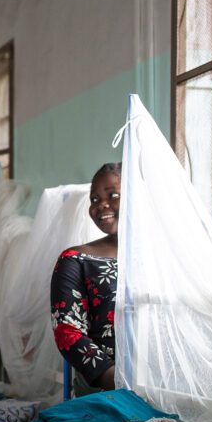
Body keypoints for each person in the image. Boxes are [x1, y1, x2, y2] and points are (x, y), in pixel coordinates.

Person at [50, 162, 121, 391]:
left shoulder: (163, 259)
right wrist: (118, 382)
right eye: (94, 199)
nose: (101, 205)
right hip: (107, 388)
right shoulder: (75, 260)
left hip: (166, 386)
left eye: (113, 195)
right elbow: (68, 332)